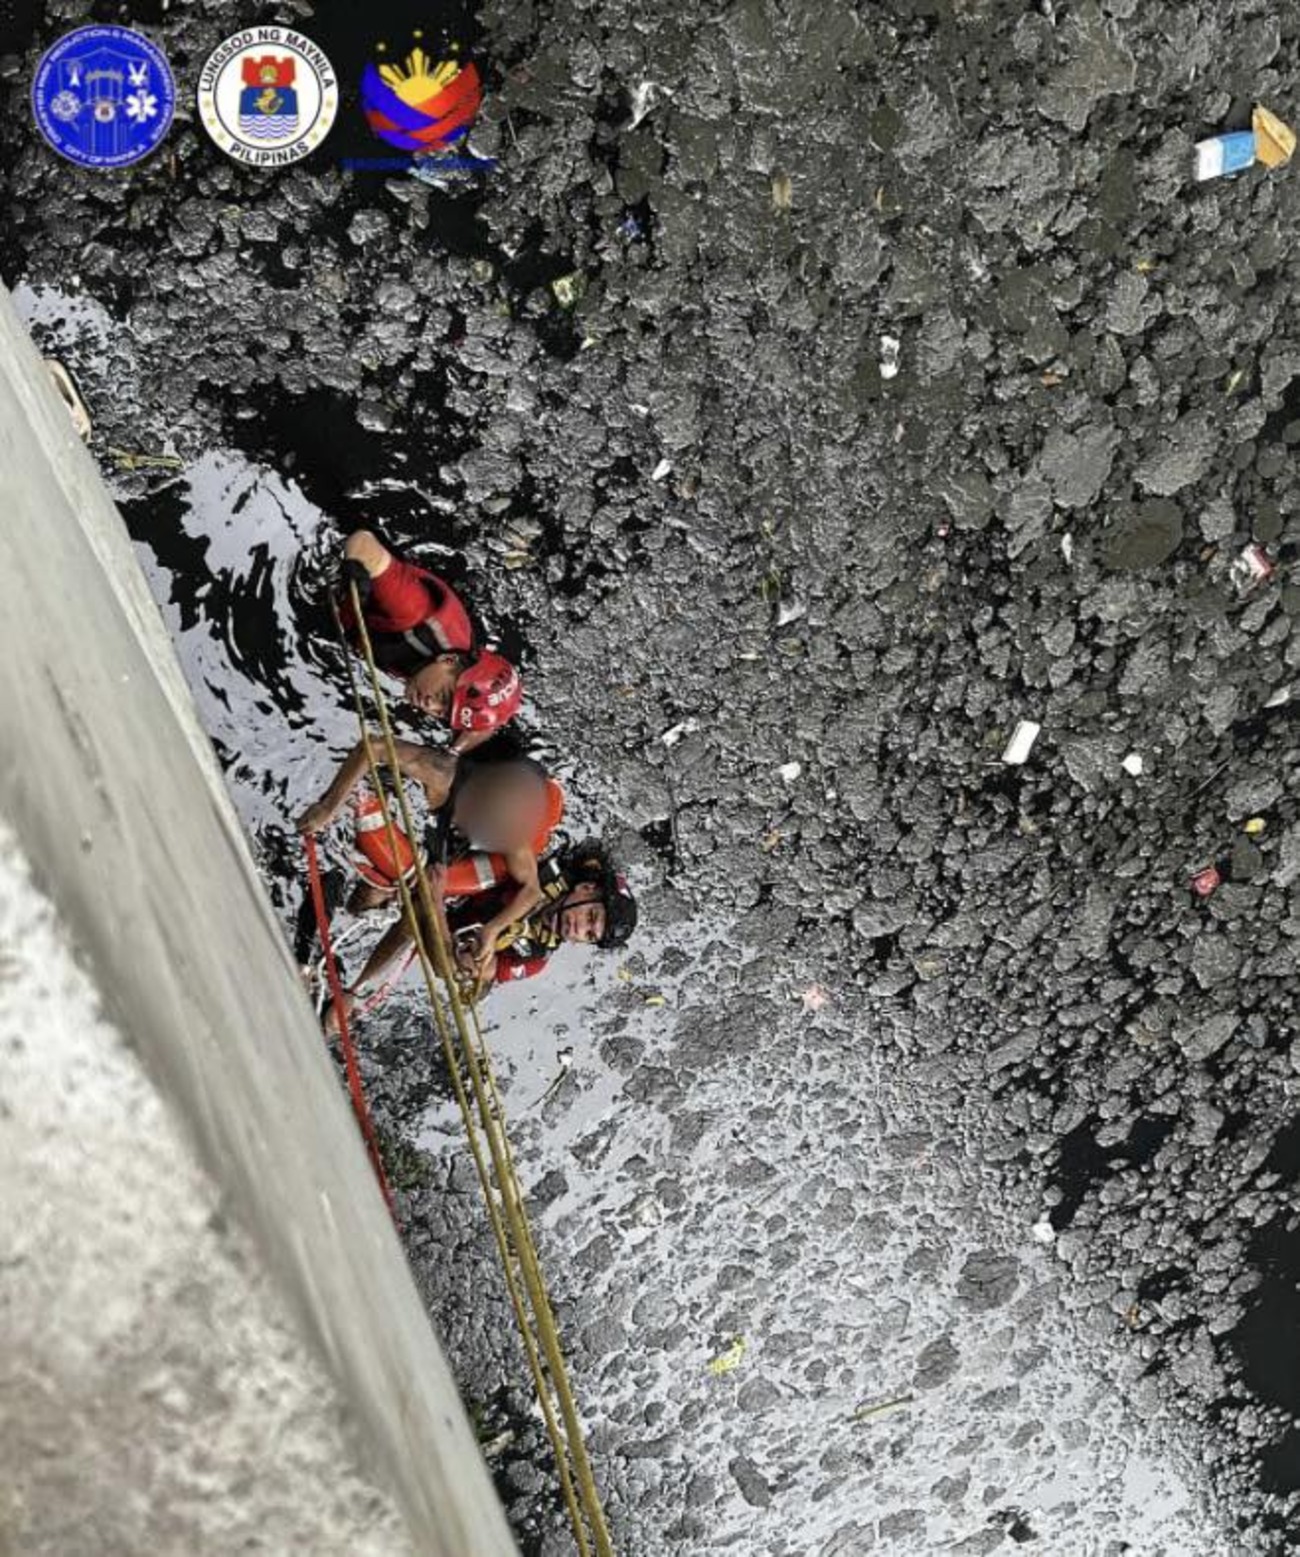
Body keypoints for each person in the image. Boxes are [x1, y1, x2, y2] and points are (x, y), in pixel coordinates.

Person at [296, 740, 565, 1006]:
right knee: (374, 891)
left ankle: (351, 984)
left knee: (402, 908)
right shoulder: (444, 775)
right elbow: (373, 748)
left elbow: (532, 891)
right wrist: (328, 807)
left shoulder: (511, 835)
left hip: (453, 855)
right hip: (434, 817)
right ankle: (328, 917)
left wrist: (491, 930)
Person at [330, 840, 637, 1022]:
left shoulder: (534, 958)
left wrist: (434, 902)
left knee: (446, 961)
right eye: (590, 916)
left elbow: (457, 968)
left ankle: (353, 990)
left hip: (443, 922)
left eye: (589, 935)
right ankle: (338, 891)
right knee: (367, 898)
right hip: (455, 874)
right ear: (586, 889)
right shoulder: (541, 865)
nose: (579, 929)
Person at [336, 528, 521, 756]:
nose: (430, 706)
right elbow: (362, 541)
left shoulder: (438, 673)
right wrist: (356, 573)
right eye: (443, 696)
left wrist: (454, 751)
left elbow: (481, 726)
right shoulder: (415, 613)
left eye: (443, 713)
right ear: (449, 659)